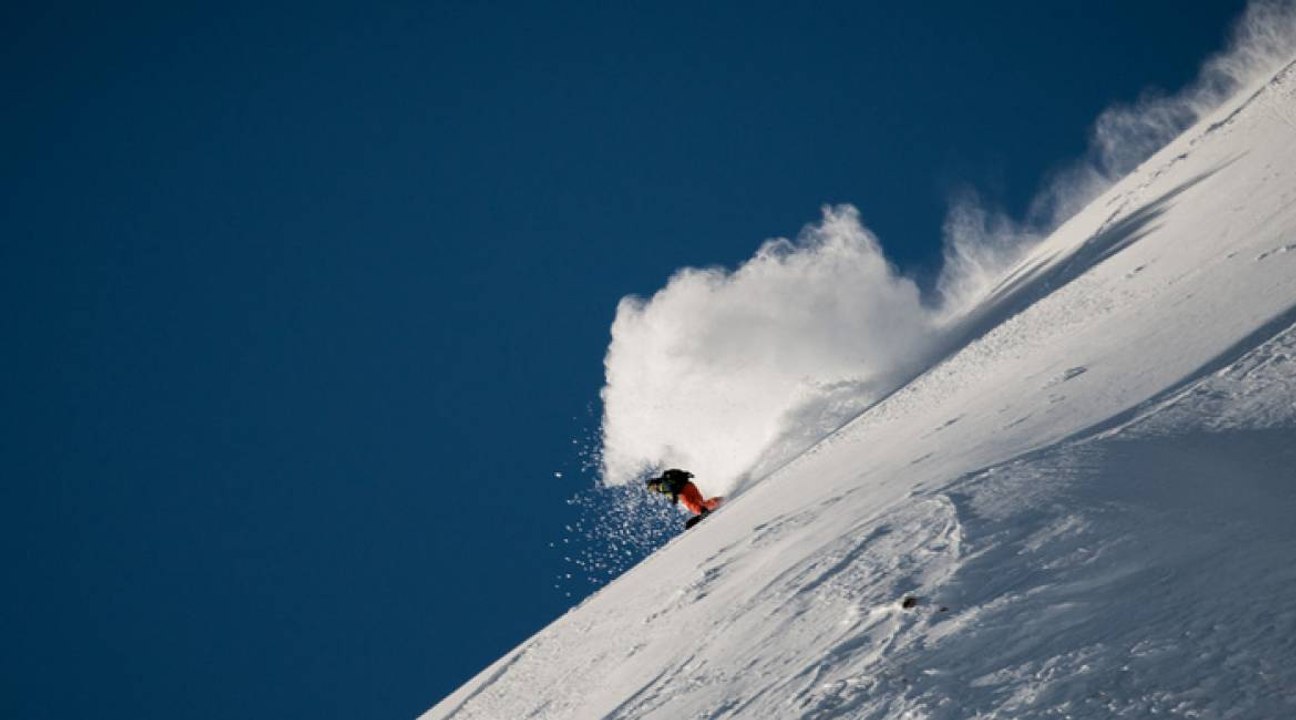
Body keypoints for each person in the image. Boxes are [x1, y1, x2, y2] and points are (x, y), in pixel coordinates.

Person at [645, 469, 722, 520]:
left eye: (651, 488)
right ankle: (718, 501)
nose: (653, 491)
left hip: (683, 491)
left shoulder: (661, 485)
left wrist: (674, 497)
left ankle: (704, 511)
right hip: (690, 485)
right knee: (701, 503)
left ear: (653, 484)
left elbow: (671, 487)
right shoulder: (665, 479)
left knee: (691, 505)